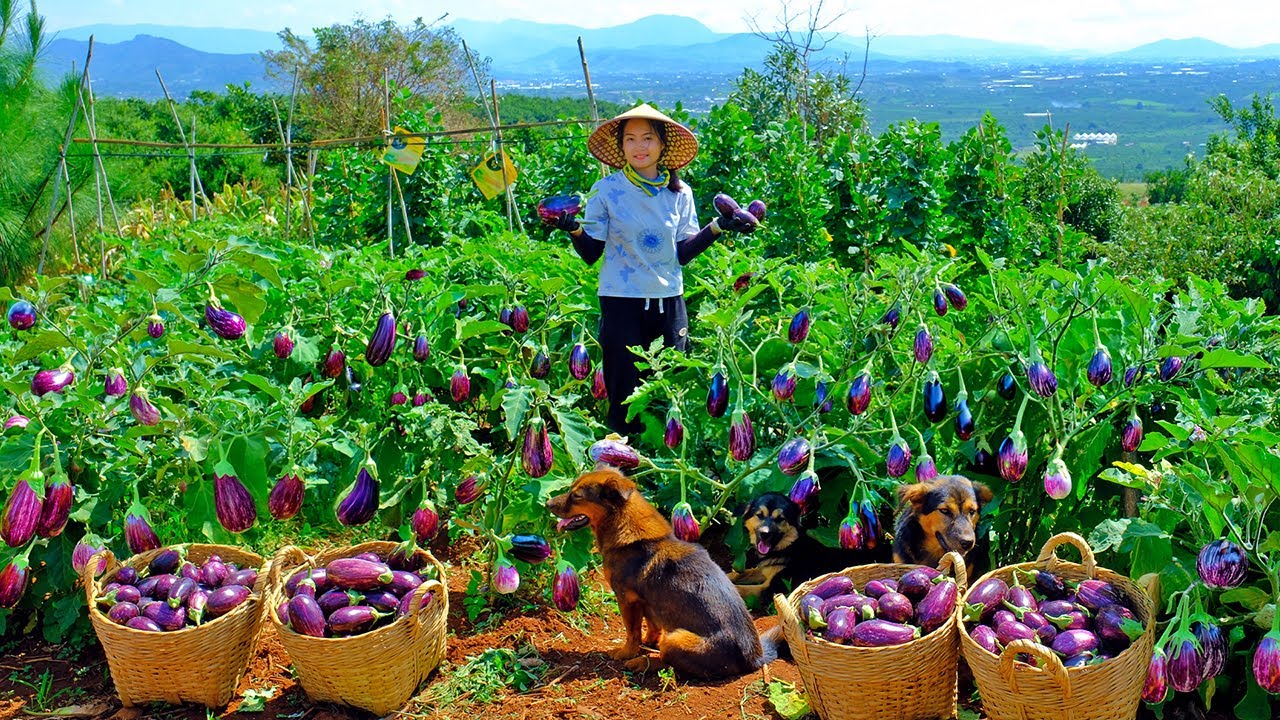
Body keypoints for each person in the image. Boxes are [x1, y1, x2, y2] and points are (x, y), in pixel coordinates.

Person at [552, 103, 756, 435]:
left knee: (666, 391)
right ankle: (619, 469)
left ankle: (663, 470)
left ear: (663, 144)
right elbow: (592, 252)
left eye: (647, 138)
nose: (639, 147)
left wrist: (719, 226)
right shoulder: (607, 191)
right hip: (621, 303)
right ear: (621, 147)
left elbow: (684, 252)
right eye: (630, 139)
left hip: (668, 302)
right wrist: (572, 228)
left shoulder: (680, 194)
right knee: (624, 395)